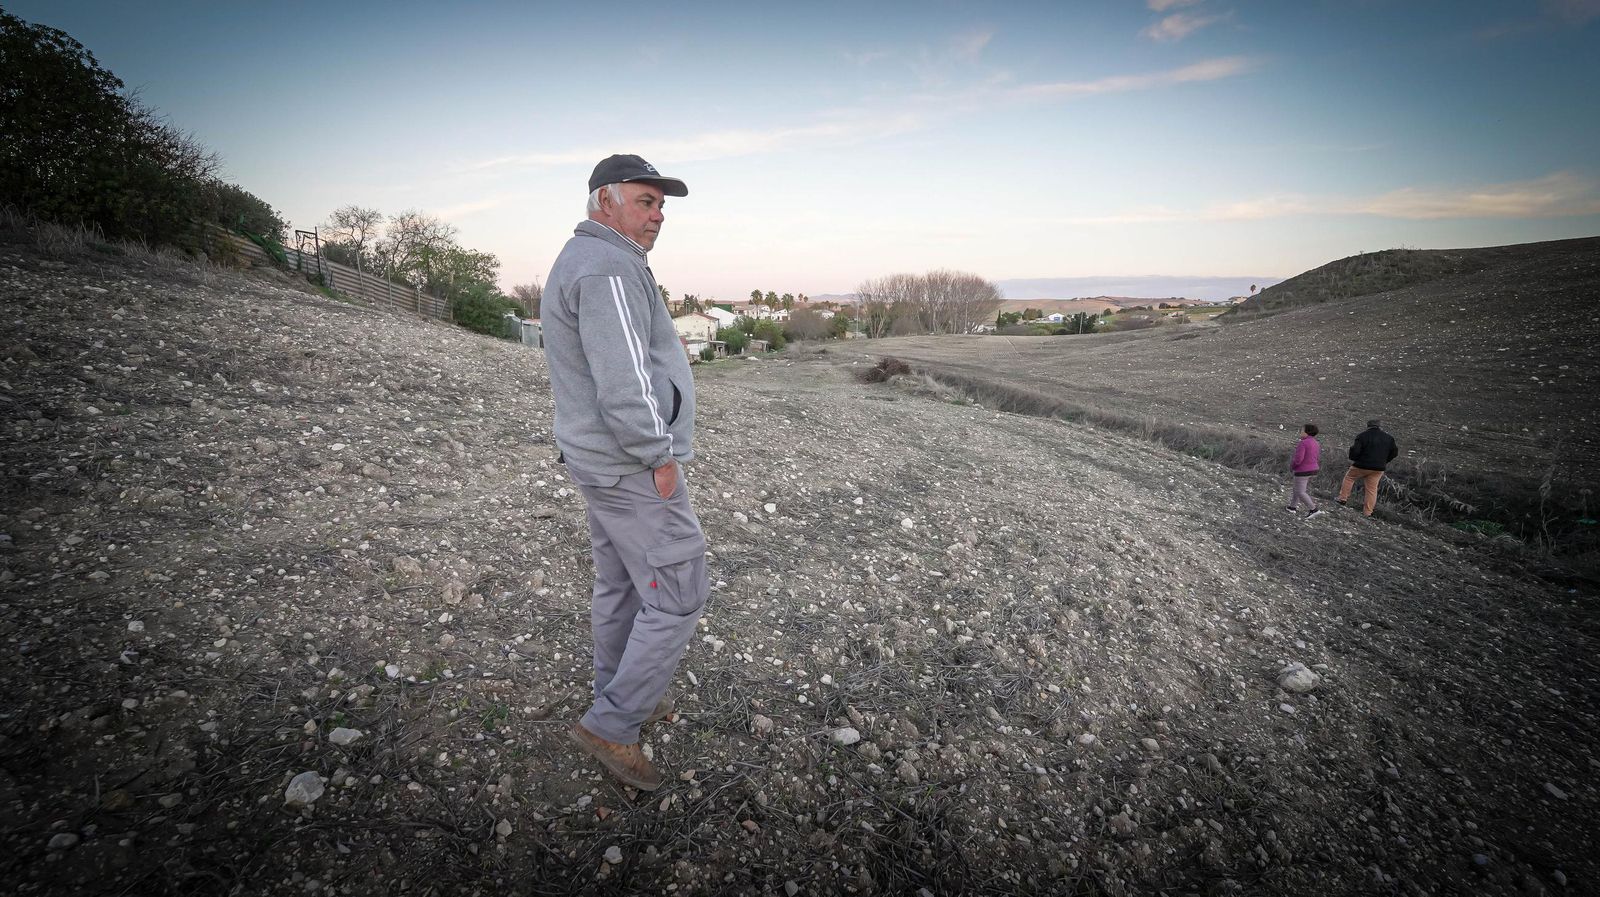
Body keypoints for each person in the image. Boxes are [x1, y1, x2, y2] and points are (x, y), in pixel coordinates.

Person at [541, 154, 708, 791]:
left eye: (661, 205)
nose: (658, 215)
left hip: (601, 463)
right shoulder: (608, 265)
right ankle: (614, 724)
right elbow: (623, 384)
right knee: (680, 590)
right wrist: (658, 456)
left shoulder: (592, 259)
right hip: (630, 465)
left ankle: (623, 692)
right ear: (604, 203)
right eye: (646, 201)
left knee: (625, 587)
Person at [1338, 419, 1399, 517]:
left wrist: (1354, 458)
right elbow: (1394, 452)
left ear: (1368, 426)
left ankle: (1342, 499)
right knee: (1372, 489)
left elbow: (1355, 451)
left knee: (1349, 478)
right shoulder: (1389, 438)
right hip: (1378, 468)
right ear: (1380, 426)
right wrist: (1384, 461)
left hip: (1361, 465)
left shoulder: (1362, 436)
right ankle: (1368, 512)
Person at [1288, 423, 1323, 518]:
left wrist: (1293, 466)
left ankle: (1313, 509)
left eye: (1302, 430)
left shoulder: (1303, 443)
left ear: (1307, 432)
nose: (1300, 432)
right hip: (1313, 469)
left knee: (1300, 491)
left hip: (1303, 470)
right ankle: (1292, 507)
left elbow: (1298, 459)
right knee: (1297, 488)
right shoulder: (1316, 443)